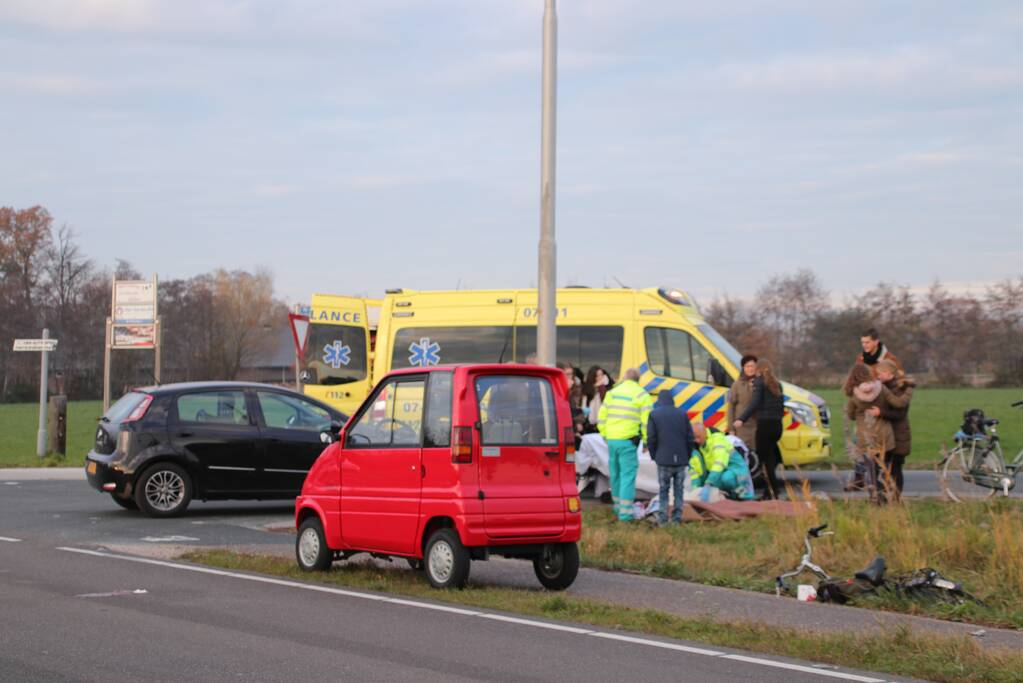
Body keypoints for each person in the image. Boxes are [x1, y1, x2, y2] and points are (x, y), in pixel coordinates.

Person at [597, 368, 654, 521]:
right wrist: (647, 441)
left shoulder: (612, 393)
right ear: (638, 380)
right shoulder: (642, 395)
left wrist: (605, 435)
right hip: (628, 441)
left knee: (615, 474)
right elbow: (647, 422)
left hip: (612, 440)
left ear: (624, 378)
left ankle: (617, 507)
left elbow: (601, 417)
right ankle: (626, 513)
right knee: (627, 476)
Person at [844, 363, 896, 502]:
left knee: (872, 469)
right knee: (884, 465)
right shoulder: (881, 388)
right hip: (884, 432)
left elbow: (851, 415)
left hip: (865, 436)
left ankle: (875, 497)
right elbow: (894, 403)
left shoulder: (854, 395)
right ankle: (888, 494)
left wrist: (860, 413)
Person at [734, 359, 785, 499]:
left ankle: (771, 492)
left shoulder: (759, 382)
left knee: (763, 460)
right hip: (777, 426)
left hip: (765, 426)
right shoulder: (778, 384)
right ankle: (772, 491)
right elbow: (781, 406)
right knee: (770, 458)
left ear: (758, 370)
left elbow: (753, 404)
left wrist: (741, 419)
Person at [647, 391, 695, 525]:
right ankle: (676, 519)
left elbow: (651, 438)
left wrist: (654, 455)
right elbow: (690, 438)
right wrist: (687, 455)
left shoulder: (654, 414)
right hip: (681, 459)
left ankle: (662, 519)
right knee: (679, 490)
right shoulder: (682, 414)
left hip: (663, 459)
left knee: (663, 490)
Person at [868, 359, 914, 499]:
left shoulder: (901, 389)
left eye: (880, 374)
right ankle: (880, 499)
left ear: (888, 373)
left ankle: (895, 499)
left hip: (898, 434)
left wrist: (880, 413)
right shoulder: (881, 387)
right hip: (884, 435)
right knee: (879, 468)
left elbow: (900, 413)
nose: (878, 377)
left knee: (895, 469)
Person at [690, 423, 756, 501]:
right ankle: (730, 498)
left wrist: (709, 483)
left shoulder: (717, 440)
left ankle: (746, 498)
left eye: (698, 437)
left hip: (736, 471)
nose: (696, 440)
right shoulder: (700, 447)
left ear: (704, 432)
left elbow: (719, 463)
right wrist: (695, 488)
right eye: (694, 438)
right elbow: (697, 470)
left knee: (727, 479)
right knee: (717, 483)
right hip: (721, 473)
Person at [726, 354, 759, 450]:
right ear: (743, 368)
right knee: (742, 454)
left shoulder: (760, 382)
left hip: (756, 426)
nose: (750, 369)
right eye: (747, 366)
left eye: (752, 366)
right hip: (741, 427)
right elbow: (731, 406)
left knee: (756, 455)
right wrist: (731, 429)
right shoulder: (737, 384)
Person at [582, 366, 612, 433]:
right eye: (597, 376)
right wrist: (595, 387)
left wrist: (602, 387)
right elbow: (584, 404)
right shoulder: (587, 388)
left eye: (601, 375)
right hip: (591, 422)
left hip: (604, 422)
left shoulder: (607, 387)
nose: (600, 377)